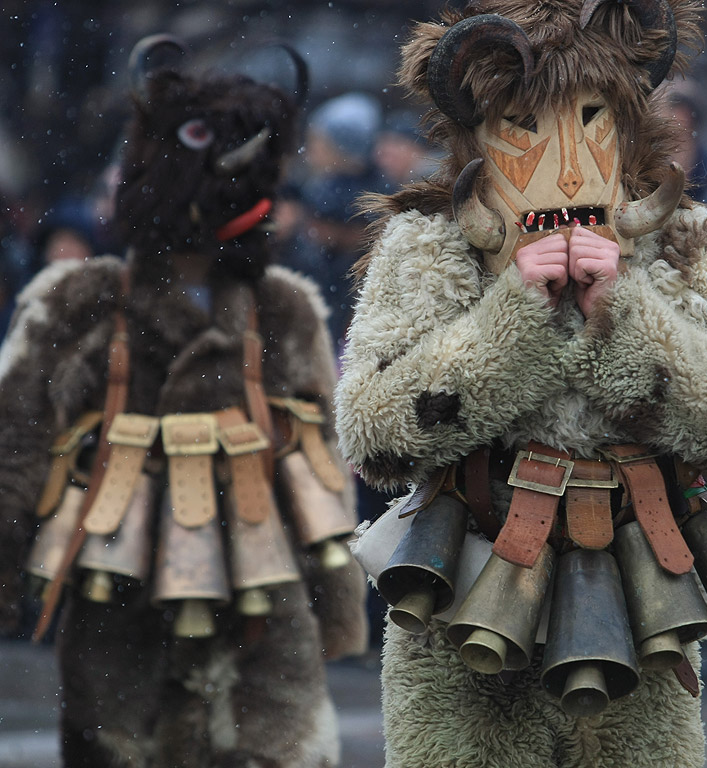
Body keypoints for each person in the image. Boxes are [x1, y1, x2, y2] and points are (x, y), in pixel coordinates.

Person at [334, 2, 707, 767]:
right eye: (523, 122)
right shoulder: (427, 245)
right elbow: (374, 432)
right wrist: (509, 322)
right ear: (479, 131)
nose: (572, 164)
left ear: (629, 117)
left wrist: (631, 318)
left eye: (592, 117)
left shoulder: (700, 247)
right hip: (458, 614)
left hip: (648, 619)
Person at [0, 35, 366, 767]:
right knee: (120, 748)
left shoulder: (286, 308)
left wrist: (336, 597)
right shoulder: (78, 302)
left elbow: (322, 462)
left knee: (275, 750)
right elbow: (17, 447)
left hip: (265, 604)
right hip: (119, 591)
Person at [279, 92, 383, 355]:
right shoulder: (318, 187)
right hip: (327, 308)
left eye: (317, 141)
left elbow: (371, 238)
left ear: (340, 146)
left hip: (354, 313)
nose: (310, 149)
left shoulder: (373, 192)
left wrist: (338, 237)